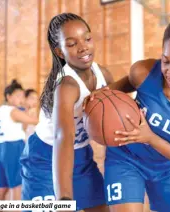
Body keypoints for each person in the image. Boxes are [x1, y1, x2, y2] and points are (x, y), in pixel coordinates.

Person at [86, 6, 170, 212]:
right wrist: (95, 105)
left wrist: (150, 137)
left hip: (168, 168)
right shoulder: (143, 72)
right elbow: (106, 98)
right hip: (125, 159)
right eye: (166, 61)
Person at [20, 13, 113, 212]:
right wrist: (64, 198)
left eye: (87, 38)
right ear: (60, 52)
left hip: (81, 155)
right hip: (46, 158)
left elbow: (118, 99)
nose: (83, 47)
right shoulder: (67, 86)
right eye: (71, 44)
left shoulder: (102, 74)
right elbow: (63, 137)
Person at [0, 79, 38, 201]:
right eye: (18, 96)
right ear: (9, 97)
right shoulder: (14, 111)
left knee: (2, 187)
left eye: (22, 96)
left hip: (1, 147)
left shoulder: (1, 110)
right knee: (17, 186)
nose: (21, 99)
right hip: (13, 147)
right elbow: (35, 121)